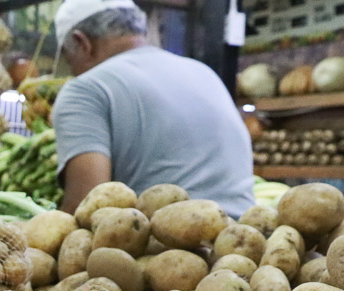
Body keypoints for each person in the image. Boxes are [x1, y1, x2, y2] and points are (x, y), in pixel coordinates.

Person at [52, 0, 255, 218]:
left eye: (69, 61)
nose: (73, 72)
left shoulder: (85, 89)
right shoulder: (204, 73)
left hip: (167, 247)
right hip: (252, 238)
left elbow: (85, 208)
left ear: (82, 43)